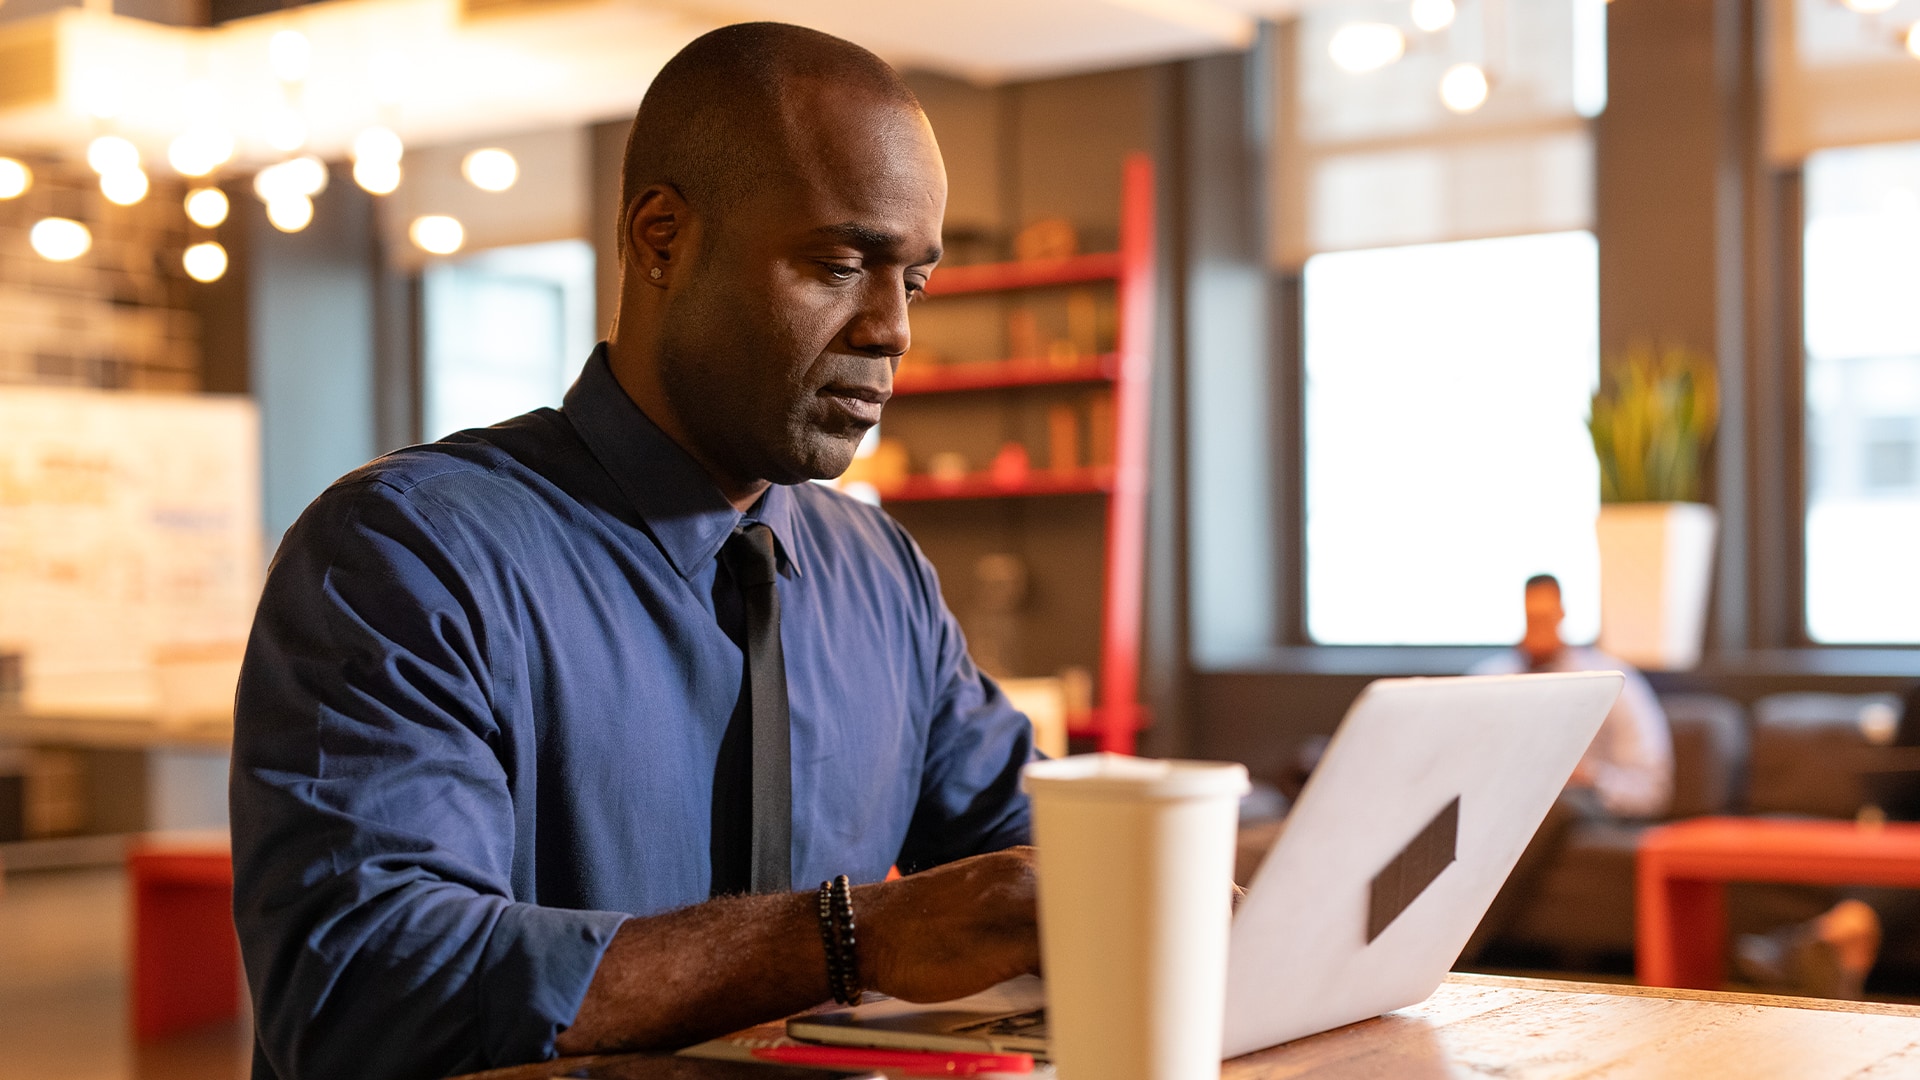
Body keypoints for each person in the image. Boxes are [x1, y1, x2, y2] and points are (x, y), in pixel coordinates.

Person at [231, 24, 1043, 1080]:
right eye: (840, 265)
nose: (890, 328)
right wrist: (854, 939)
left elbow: (1020, 850)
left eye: (915, 283)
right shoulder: (406, 555)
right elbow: (366, 990)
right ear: (660, 238)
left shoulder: (878, 573)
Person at [1459, 572, 1674, 960]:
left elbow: (1651, 784)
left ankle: (1459, 946)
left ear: (1562, 615)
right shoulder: (1487, 680)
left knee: (1547, 804)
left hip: (1582, 800)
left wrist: (1588, 776)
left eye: (1545, 618)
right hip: (1498, 797)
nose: (1537, 629)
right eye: (1530, 618)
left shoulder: (1612, 680)